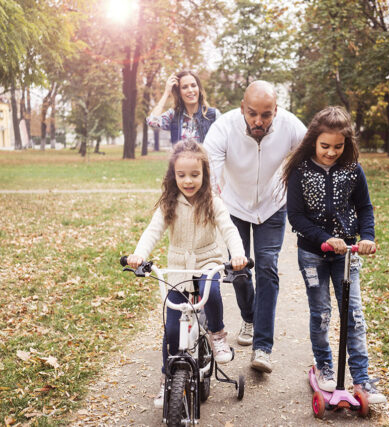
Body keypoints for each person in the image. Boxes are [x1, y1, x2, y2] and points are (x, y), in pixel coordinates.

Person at [127, 141, 248, 408]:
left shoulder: (213, 202)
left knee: (212, 290)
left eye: (194, 175)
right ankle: (165, 380)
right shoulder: (168, 204)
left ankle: (217, 336)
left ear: (204, 174)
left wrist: (237, 255)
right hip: (178, 267)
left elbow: (229, 230)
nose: (188, 180)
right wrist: (139, 255)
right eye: (181, 175)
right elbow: (153, 231)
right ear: (173, 176)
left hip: (208, 261)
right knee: (170, 329)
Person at [282, 106, 386, 404]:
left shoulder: (352, 169)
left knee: (353, 315)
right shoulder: (300, 170)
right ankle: (325, 366)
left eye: (338, 147)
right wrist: (326, 238)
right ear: (314, 140)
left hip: (347, 255)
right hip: (313, 254)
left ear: (347, 143)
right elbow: (296, 217)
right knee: (322, 313)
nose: (331, 152)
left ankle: (363, 379)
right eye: (325, 146)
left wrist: (367, 237)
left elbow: (364, 208)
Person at [204, 81, 307, 373]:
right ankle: (249, 316)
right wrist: (211, 202)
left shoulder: (290, 126)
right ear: (242, 108)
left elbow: (314, 157)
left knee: (267, 267)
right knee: (239, 271)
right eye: (252, 114)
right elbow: (208, 171)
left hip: (273, 205)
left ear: (276, 110)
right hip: (234, 206)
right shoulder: (224, 128)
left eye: (266, 114)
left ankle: (263, 347)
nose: (258, 121)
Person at [146, 70, 219, 144]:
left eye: (193, 85)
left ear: (199, 89)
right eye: (184, 87)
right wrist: (166, 92)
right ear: (179, 93)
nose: (190, 90)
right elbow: (152, 122)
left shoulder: (213, 114)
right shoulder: (173, 115)